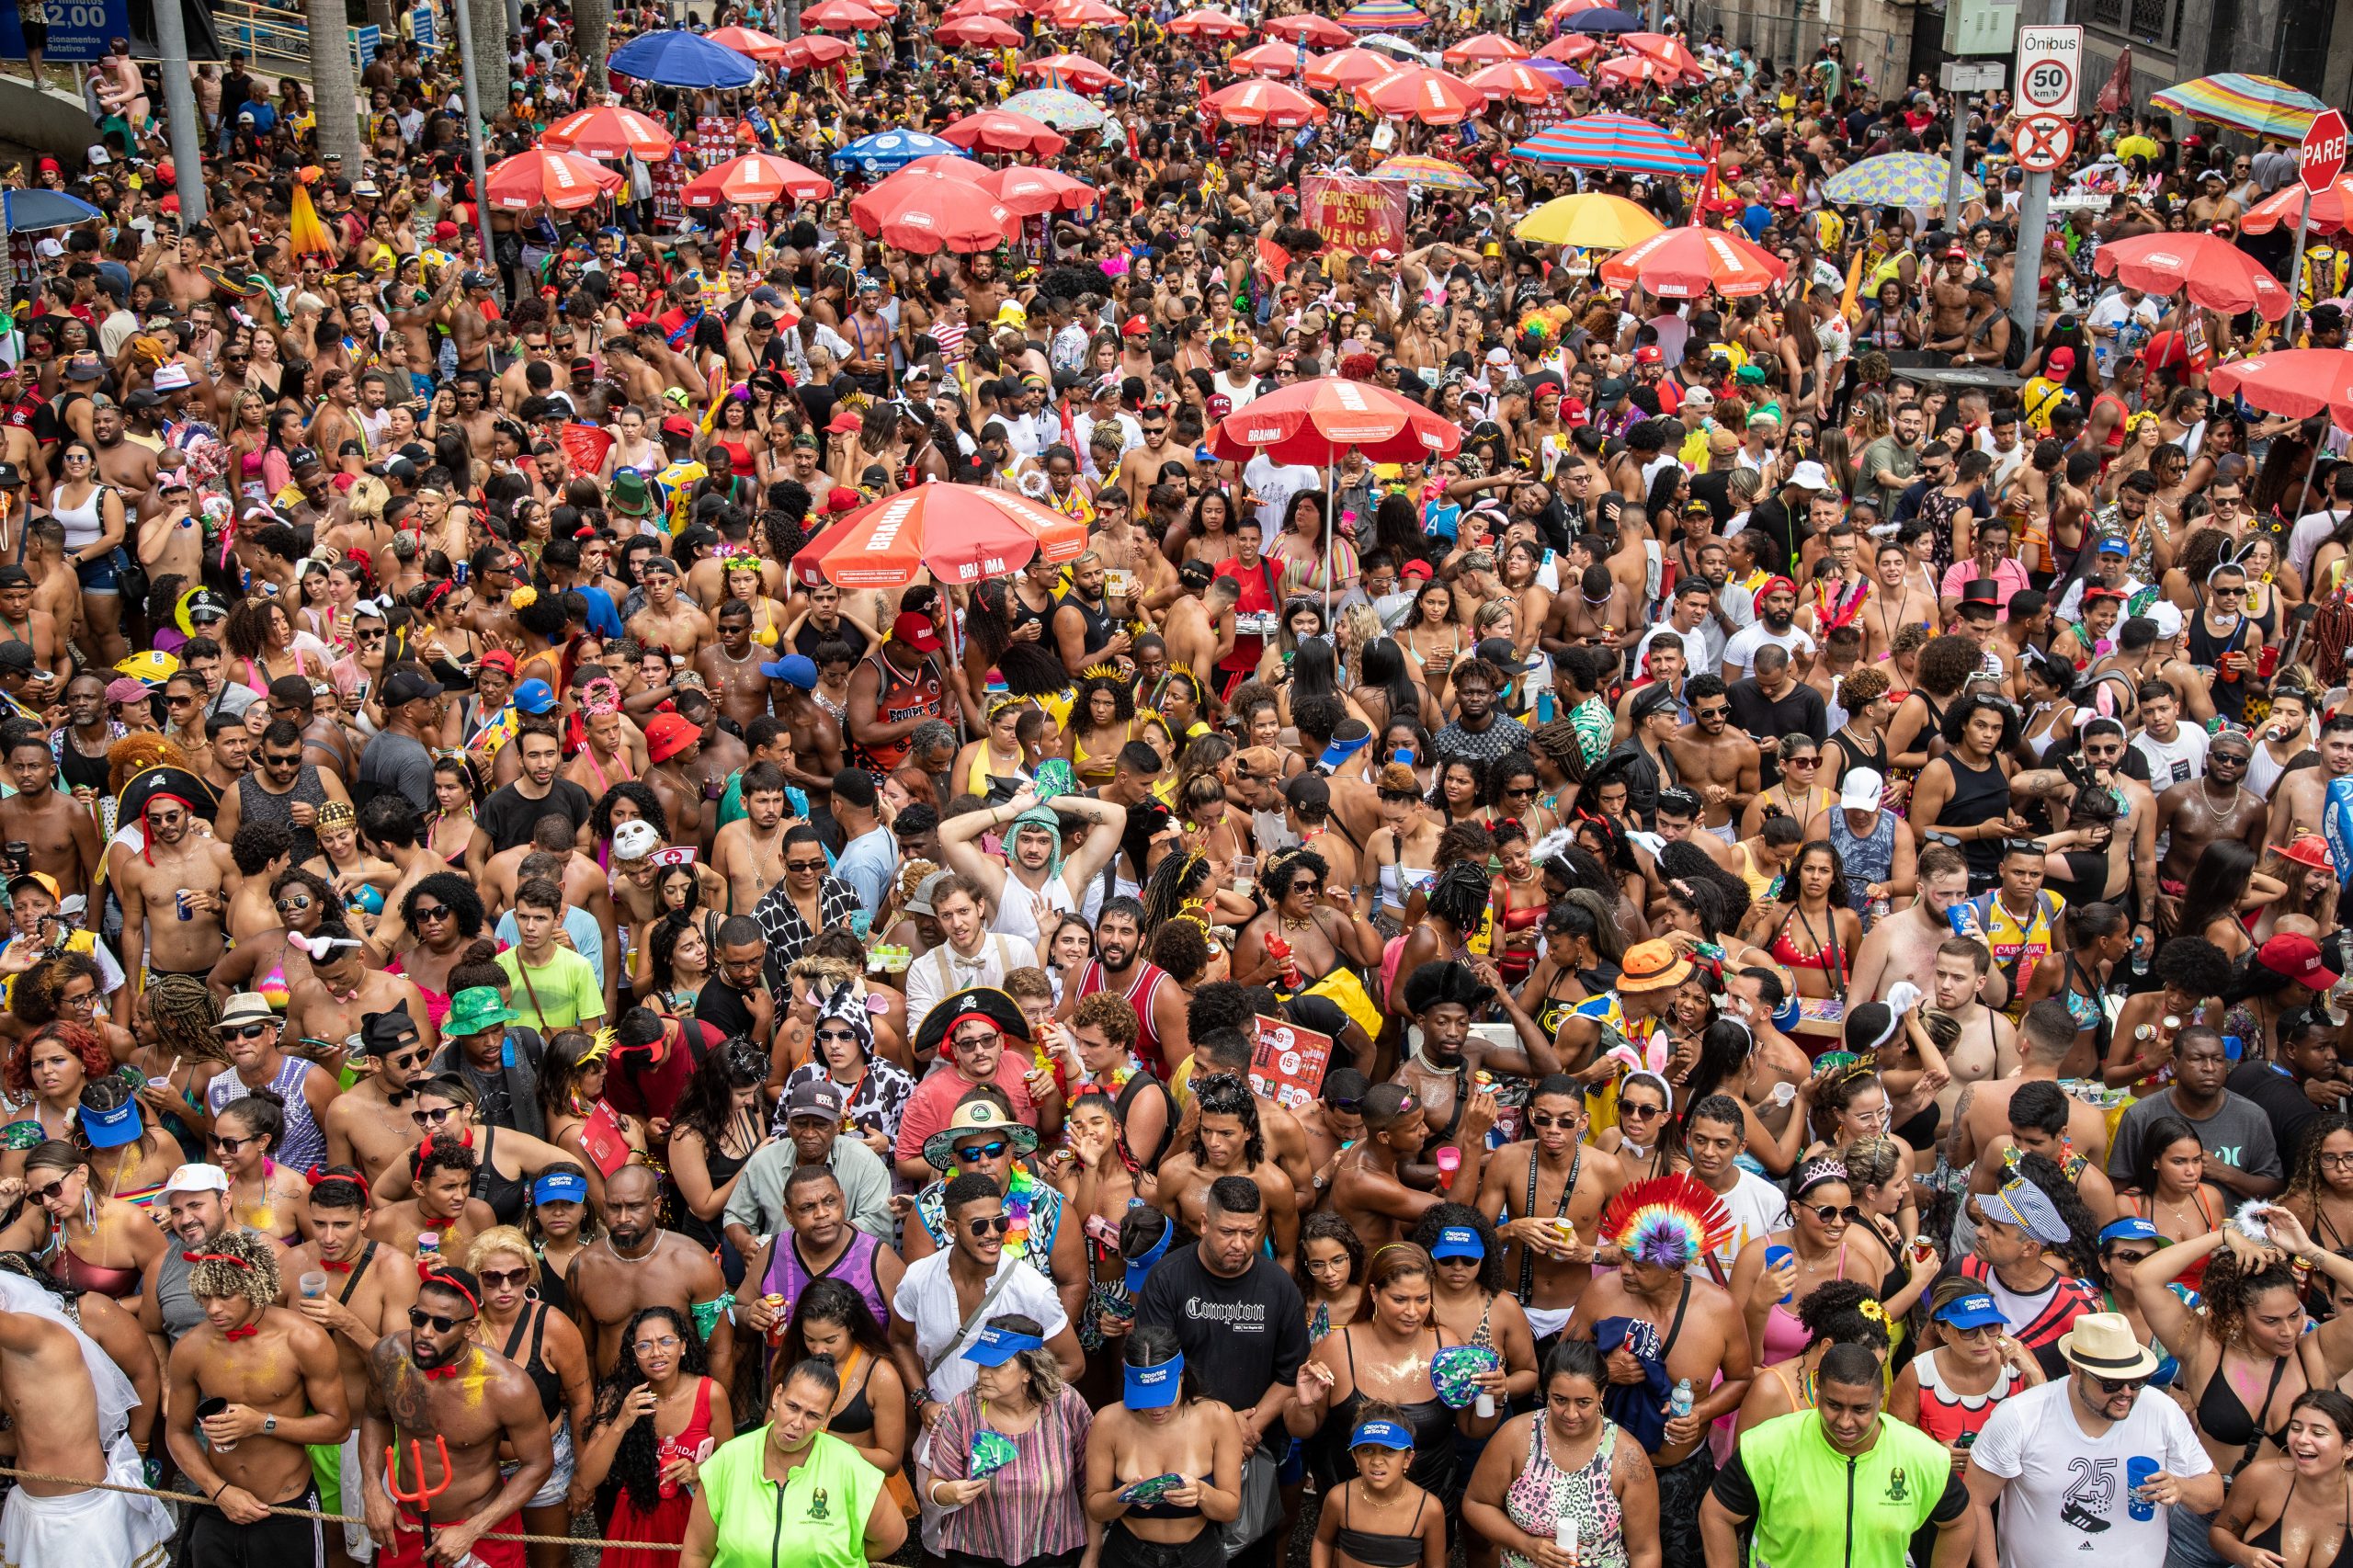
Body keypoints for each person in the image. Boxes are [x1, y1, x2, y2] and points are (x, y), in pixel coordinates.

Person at [1133, 1173, 1311, 1562]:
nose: (1240, 1244)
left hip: (1255, 1445)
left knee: (1250, 1552)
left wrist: (1250, 1426)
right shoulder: (1167, 1280)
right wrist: (1221, 1427)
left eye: (1250, 1233)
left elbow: (1291, 1373)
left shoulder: (1278, 1287)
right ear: (1204, 1225)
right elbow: (1156, 1369)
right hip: (1181, 1443)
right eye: (1228, 1231)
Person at [1965, 1312, 2221, 1568]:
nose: (2125, 1393)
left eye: (2136, 1381)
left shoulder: (2162, 1411)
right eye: (2110, 1383)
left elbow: (2214, 1492)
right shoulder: (2021, 1415)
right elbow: (1976, 1500)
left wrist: (2181, 1487)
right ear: (2075, 1371)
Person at [163, 1227, 352, 1568]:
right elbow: (176, 1433)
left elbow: (338, 1427)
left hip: (286, 1505)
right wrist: (218, 1491)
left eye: (225, 1296)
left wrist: (261, 1423)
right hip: (218, 1504)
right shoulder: (191, 1348)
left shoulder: (303, 1339)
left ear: (254, 1287)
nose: (213, 1309)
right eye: (205, 1297)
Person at [1701, 1341, 1970, 1568]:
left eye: (1860, 1409)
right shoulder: (1768, 1446)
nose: (1845, 1422)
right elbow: (1716, 1514)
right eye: (1833, 1405)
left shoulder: (1922, 1455)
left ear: (1881, 1397)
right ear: (1817, 1390)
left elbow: (1961, 1522)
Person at [682, 1353, 906, 1568]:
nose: (798, 1423)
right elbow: (697, 1553)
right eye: (793, 1407)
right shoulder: (728, 1459)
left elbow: (893, 1536)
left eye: (813, 1415)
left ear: (828, 1417)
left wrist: (838, 1559)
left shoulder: (849, 1466)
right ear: (777, 1396)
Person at [924, 1314, 1097, 1568]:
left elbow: (1088, 1485)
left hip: (1053, 1551)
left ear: (1028, 1371)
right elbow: (935, 1484)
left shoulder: (1066, 1404)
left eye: (997, 1366)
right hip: (975, 1552)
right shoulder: (963, 1409)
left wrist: (1092, 1550)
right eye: (982, 1364)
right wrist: (950, 1492)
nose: (984, 1375)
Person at [575, 1302, 733, 1568]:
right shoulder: (617, 1396)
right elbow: (588, 1478)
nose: (656, 1352)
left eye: (666, 1341)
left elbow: (732, 1465)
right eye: (644, 1346)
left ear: (682, 1346)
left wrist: (698, 1471)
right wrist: (621, 1422)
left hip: (694, 1519)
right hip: (637, 1521)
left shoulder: (711, 1394)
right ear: (633, 1353)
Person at [1085, 1326, 1244, 1568]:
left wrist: (1201, 1492)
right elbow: (1096, 1508)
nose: (1157, 1410)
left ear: (1181, 1375)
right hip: (1128, 1552)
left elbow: (1230, 1510)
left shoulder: (1217, 1417)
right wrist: (1124, 1496)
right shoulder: (1108, 1421)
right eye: (1146, 1399)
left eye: (1164, 1397)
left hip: (1198, 1554)